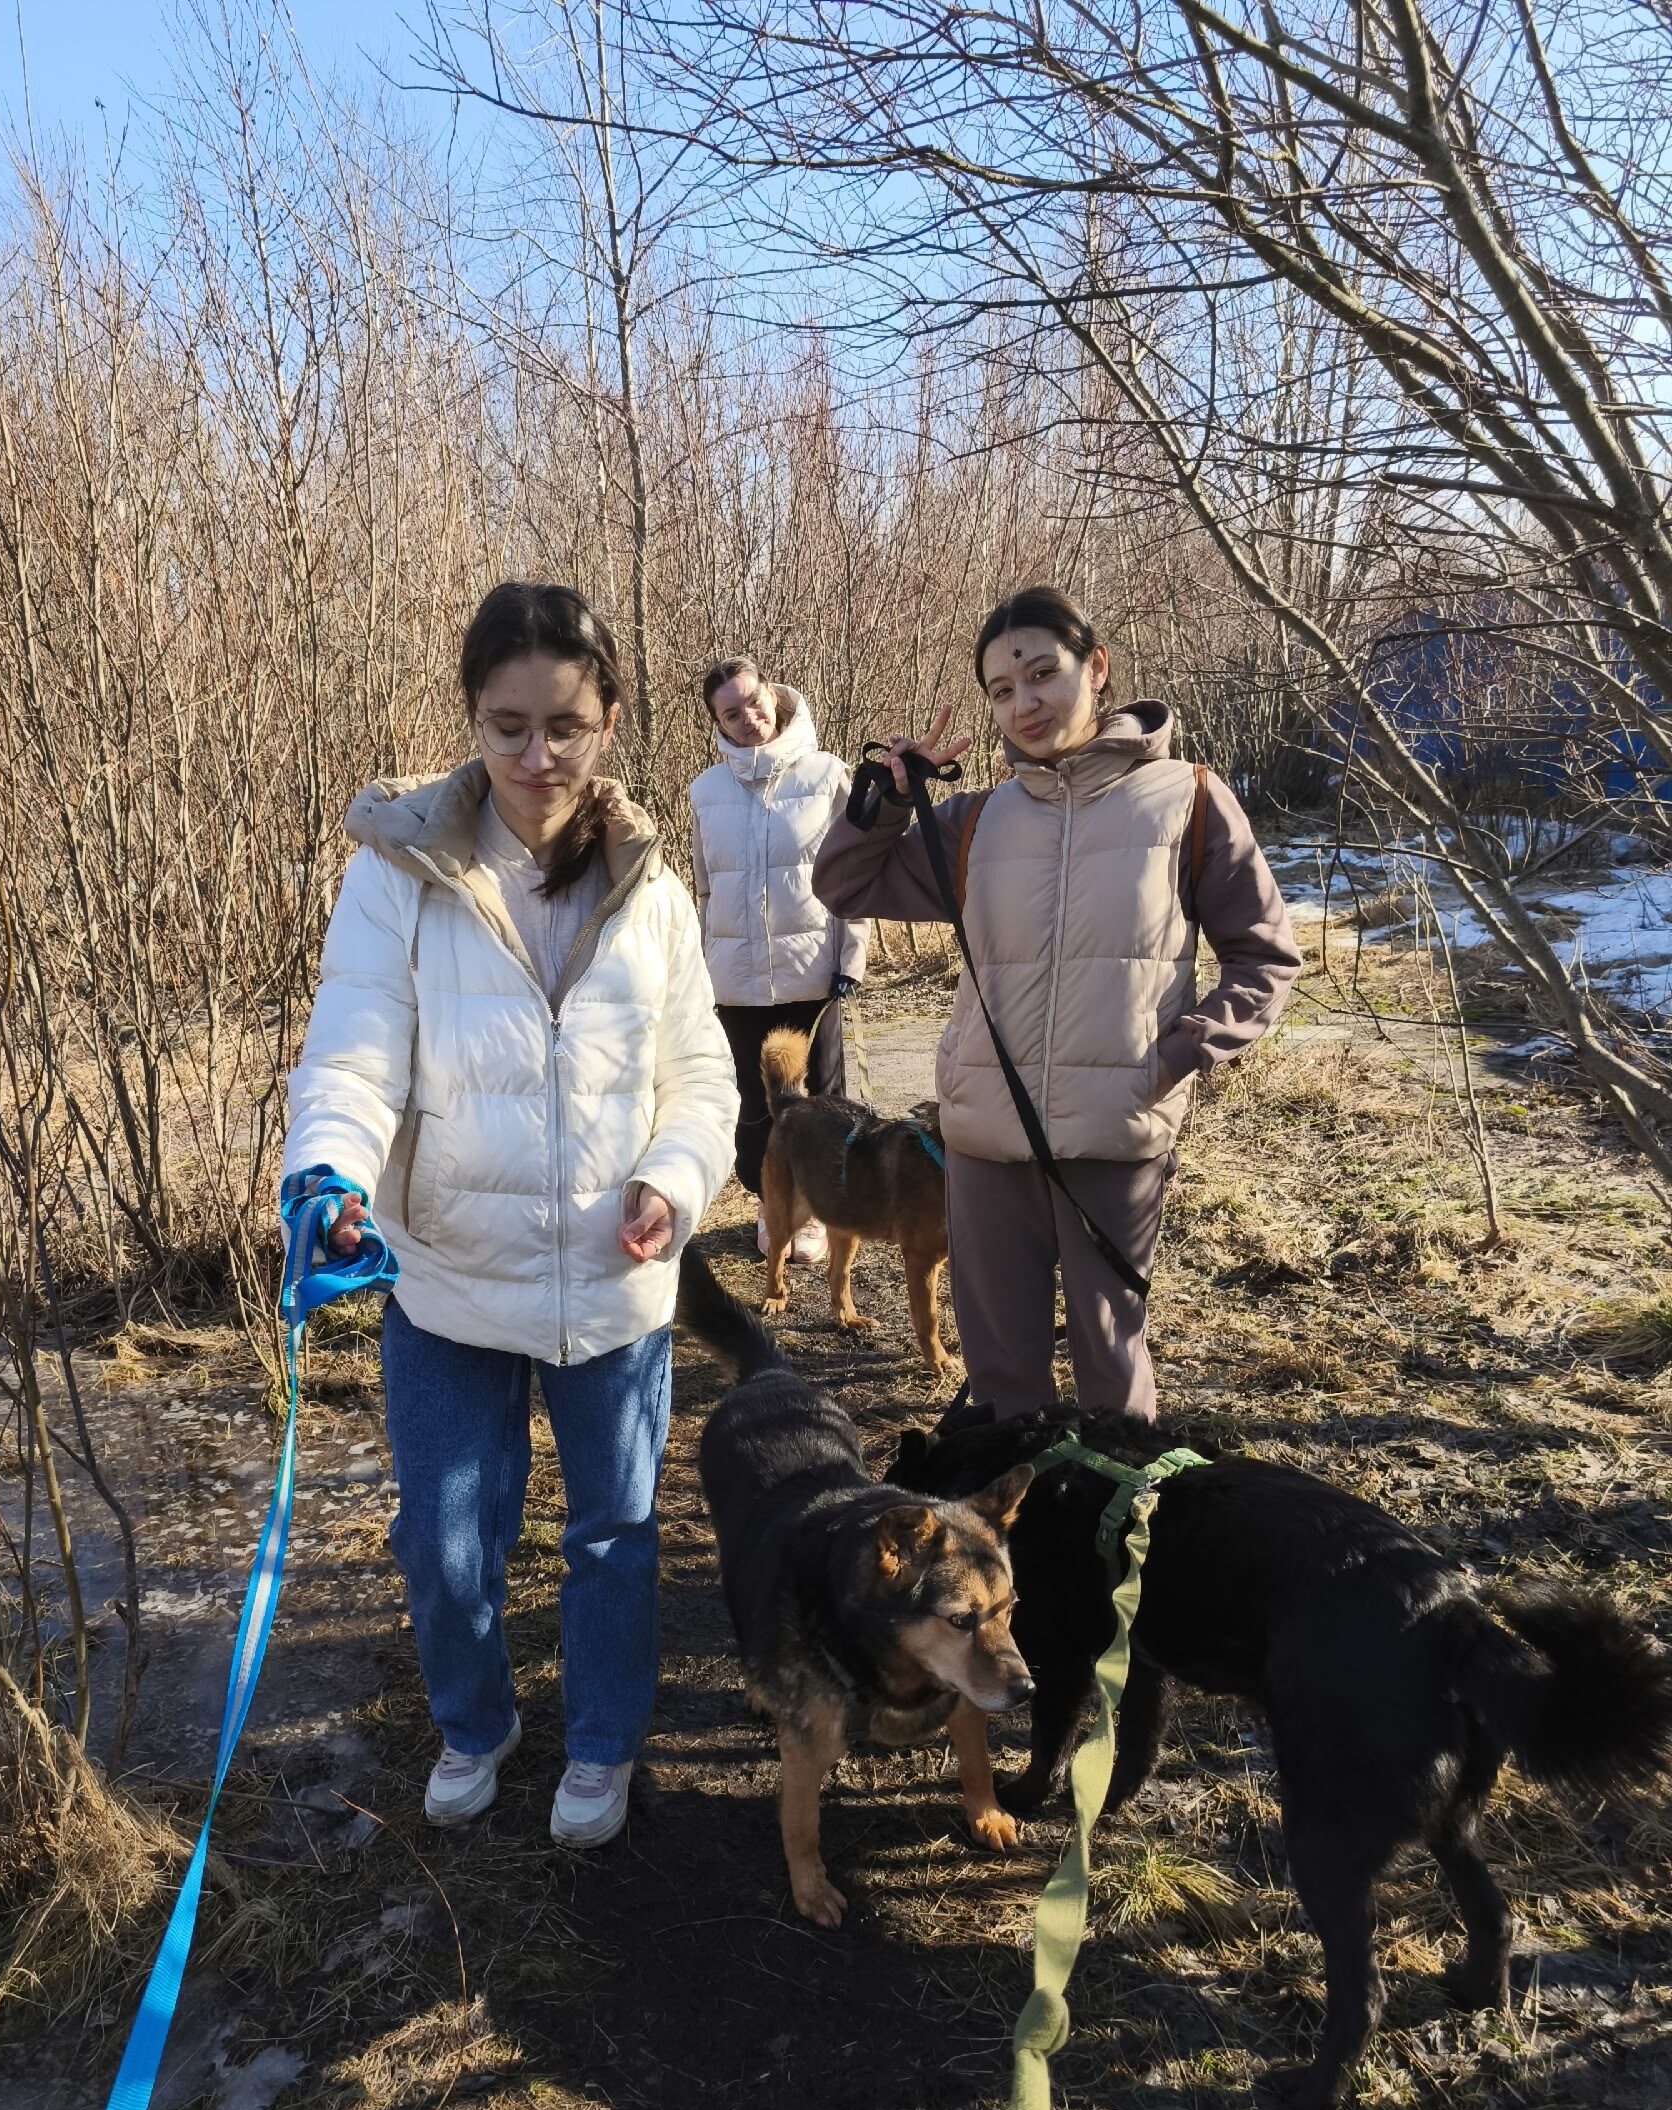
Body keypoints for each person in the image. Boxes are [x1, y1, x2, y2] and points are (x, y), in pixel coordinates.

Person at [286, 581, 737, 1846]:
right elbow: (353, 1053)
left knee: (614, 1535)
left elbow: (701, 1077)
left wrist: (674, 1177)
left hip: (612, 1277)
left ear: (611, 722)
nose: (539, 757)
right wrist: (328, 1172)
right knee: (443, 1539)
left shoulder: (650, 887)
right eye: (509, 726)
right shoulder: (399, 874)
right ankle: (475, 1723)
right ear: (472, 718)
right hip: (448, 1272)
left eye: (567, 727)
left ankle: (600, 1743)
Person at [813, 585, 1300, 1421]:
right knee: (1003, 1380)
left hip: (1116, 1134)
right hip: (983, 1139)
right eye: (1002, 689)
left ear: (1096, 667)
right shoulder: (976, 823)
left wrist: (1176, 1054)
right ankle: (1018, 1506)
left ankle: (1121, 1506)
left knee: (1112, 1371)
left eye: (1043, 674)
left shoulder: (1187, 800)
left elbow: (1265, 955)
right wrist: (888, 800)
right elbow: (845, 884)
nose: (1025, 704)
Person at [688, 657, 869, 1263]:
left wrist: (851, 957)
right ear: (717, 723)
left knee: (818, 1100)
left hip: (811, 971)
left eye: (753, 701)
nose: (748, 718)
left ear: (774, 695)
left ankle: (816, 1210)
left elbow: (852, 877)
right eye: (730, 714)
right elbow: (705, 889)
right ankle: (773, 1207)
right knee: (754, 1100)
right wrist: (703, 966)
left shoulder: (827, 775)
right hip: (735, 980)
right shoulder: (705, 792)